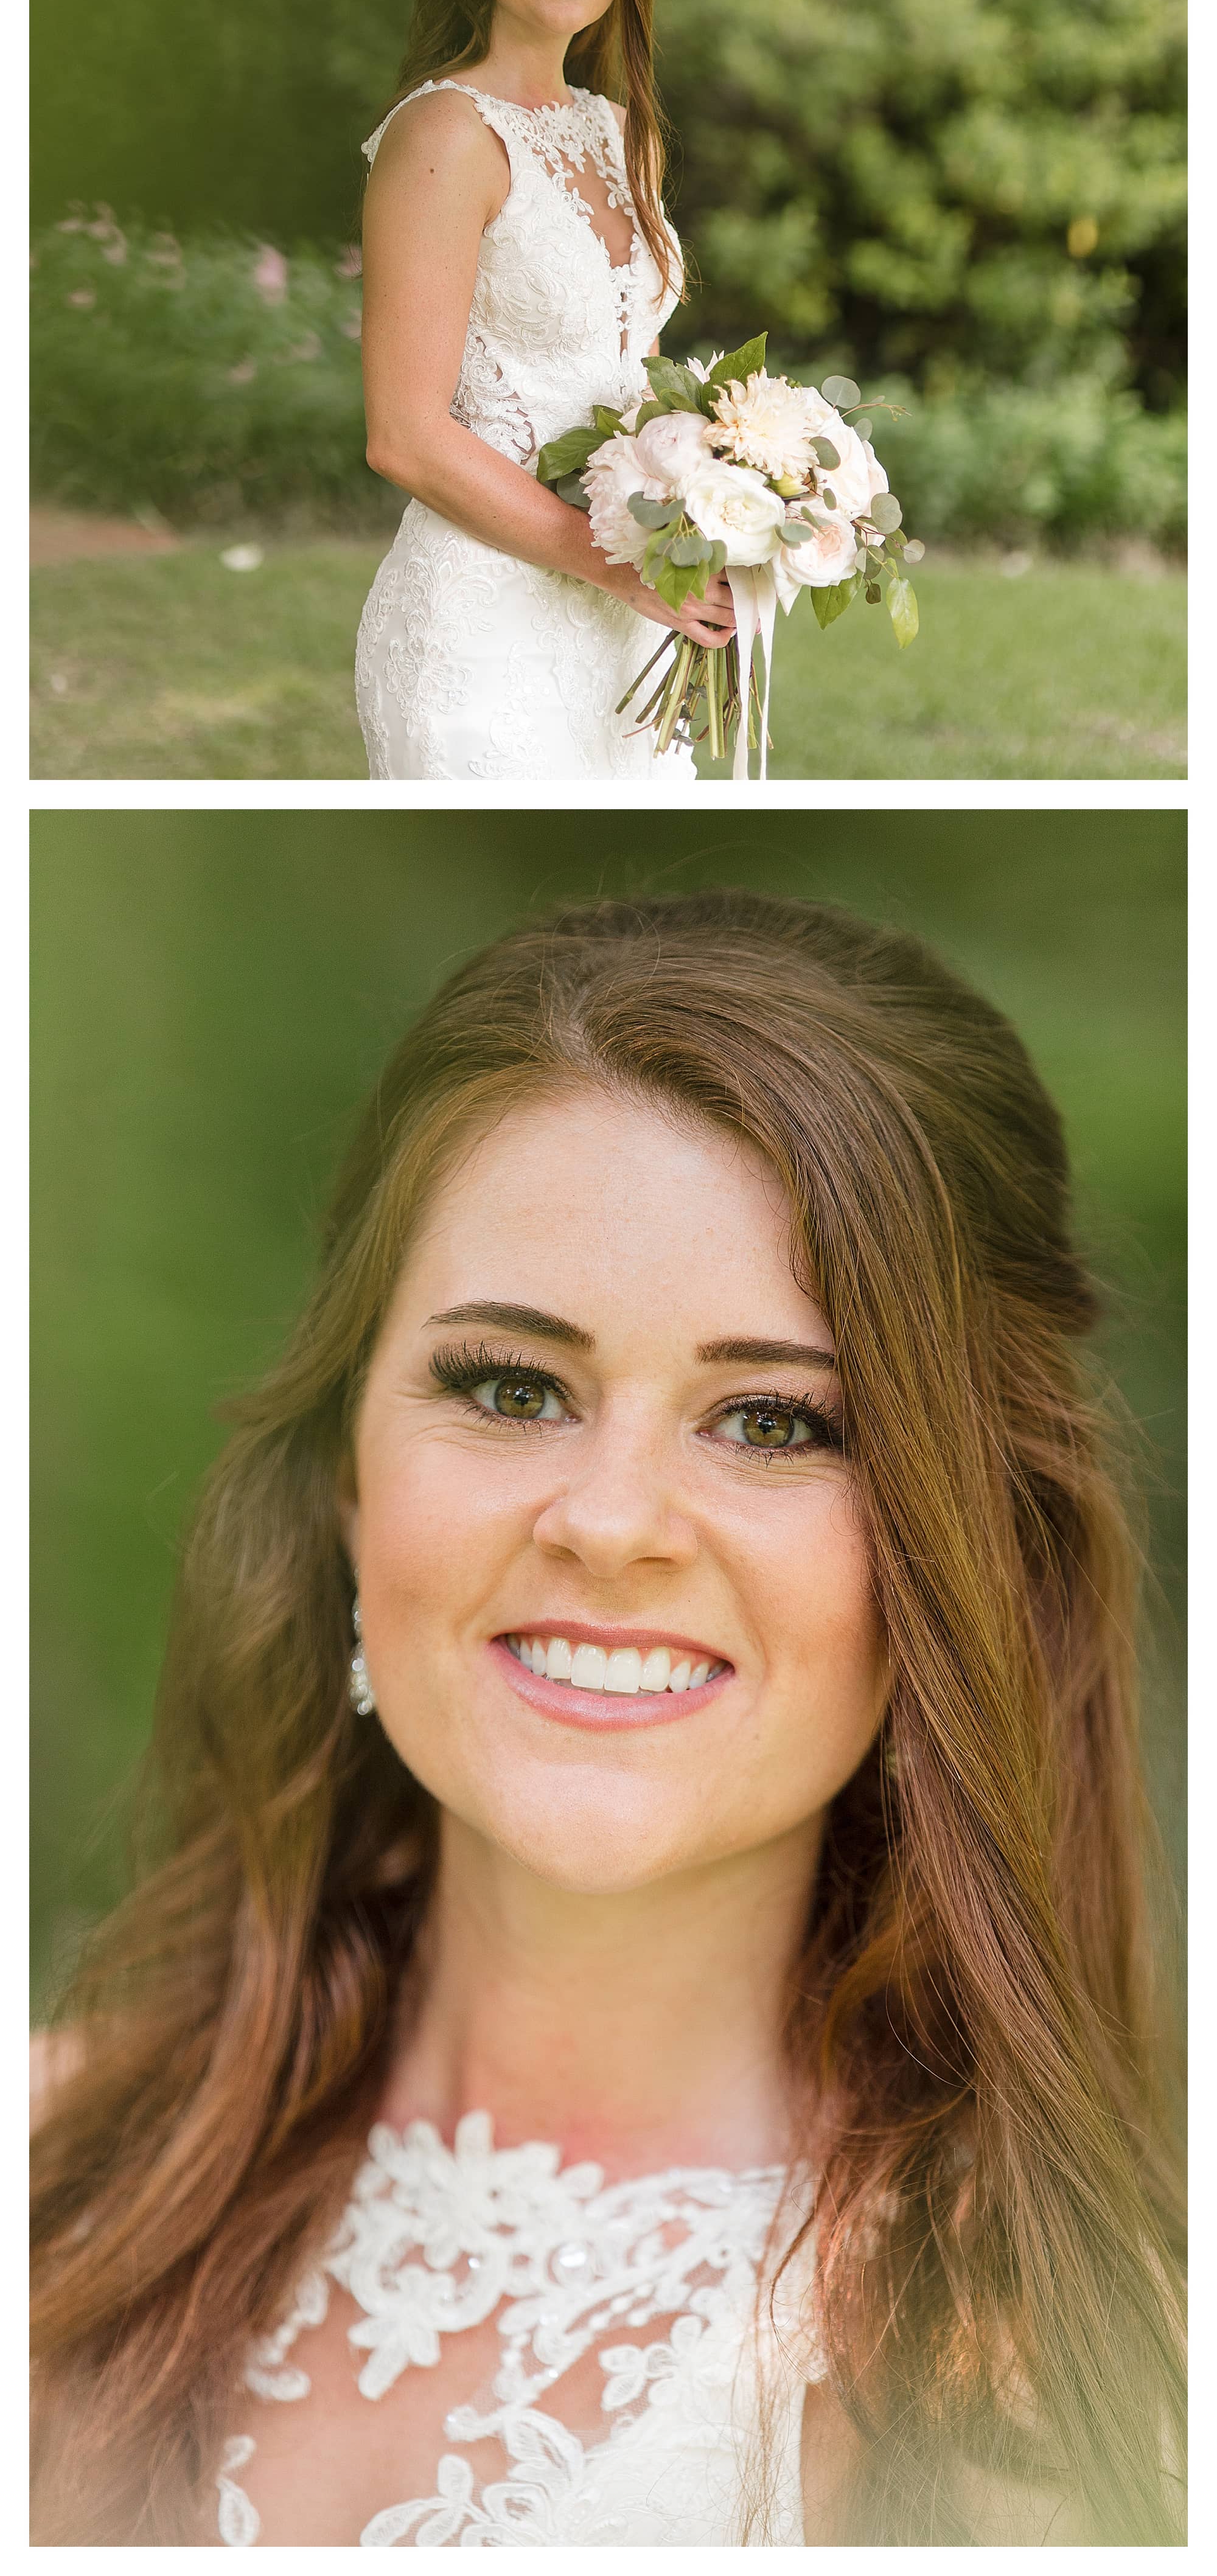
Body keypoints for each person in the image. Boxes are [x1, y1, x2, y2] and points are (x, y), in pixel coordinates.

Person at [30, 892, 1185, 2546]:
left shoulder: (1059, 2402)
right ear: (351, 1479)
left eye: (776, 1422)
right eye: (510, 1387)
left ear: (967, 1552)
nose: (614, 1521)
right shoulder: (37, 2163)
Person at [353, 0, 734, 781]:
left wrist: (732, 494)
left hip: (626, 625)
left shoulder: (619, 136)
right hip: (481, 627)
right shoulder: (443, 136)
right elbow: (404, 433)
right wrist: (612, 562)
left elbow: (631, 382)